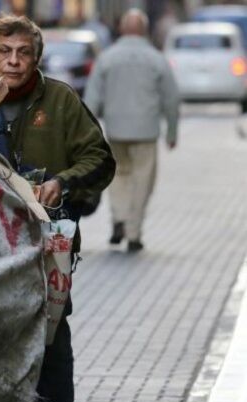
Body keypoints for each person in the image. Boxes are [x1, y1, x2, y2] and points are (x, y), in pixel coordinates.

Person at [0, 13, 116, 402]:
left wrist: (64, 181)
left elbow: (101, 159)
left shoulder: (60, 101)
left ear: (36, 57)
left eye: (24, 52)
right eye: (4, 52)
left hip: (45, 252)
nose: (14, 61)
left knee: (51, 343)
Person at [83, 8, 179, 253]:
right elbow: (171, 98)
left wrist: (86, 133)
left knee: (118, 176)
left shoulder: (107, 58)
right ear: (144, 30)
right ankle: (134, 232)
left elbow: (92, 98)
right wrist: (171, 131)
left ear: (122, 29)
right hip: (146, 131)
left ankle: (119, 219)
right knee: (142, 181)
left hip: (115, 130)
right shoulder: (156, 58)